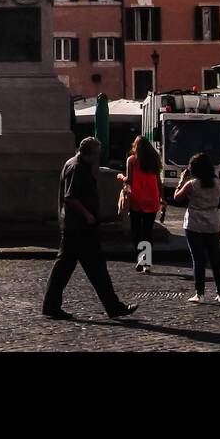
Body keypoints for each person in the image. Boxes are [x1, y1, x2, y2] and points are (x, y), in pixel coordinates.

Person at [42, 137, 138, 321]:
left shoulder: (74, 163)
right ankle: (112, 307)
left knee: (74, 268)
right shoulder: (77, 167)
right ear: (91, 154)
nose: (98, 157)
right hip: (80, 227)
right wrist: (89, 216)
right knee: (91, 268)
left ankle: (52, 305)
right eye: (97, 154)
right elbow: (71, 197)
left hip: (74, 226)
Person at [174, 152, 220, 304]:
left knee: (199, 259)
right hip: (213, 223)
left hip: (194, 224)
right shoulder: (217, 182)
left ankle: (200, 293)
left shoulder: (192, 184)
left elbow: (177, 197)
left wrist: (181, 181)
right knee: (215, 258)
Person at [118, 136, 162, 273]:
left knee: (136, 231)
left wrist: (120, 177)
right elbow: (159, 181)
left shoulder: (132, 160)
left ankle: (142, 258)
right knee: (147, 232)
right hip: (152, 198)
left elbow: (129, 180)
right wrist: (162, 197)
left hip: (137, 199)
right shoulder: (154, 160)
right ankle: (146, 262)